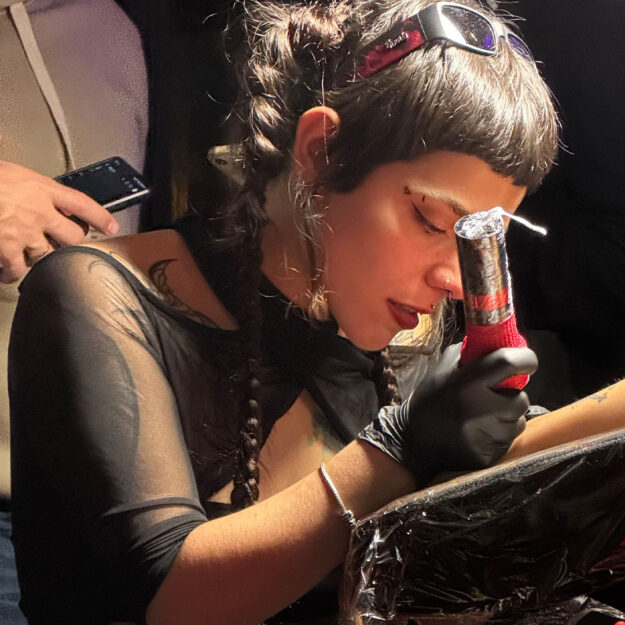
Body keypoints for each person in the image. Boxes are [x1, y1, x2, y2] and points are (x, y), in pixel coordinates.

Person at [8, 1, 562, 623]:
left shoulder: (410, 331)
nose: (454, 280)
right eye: (431, 221)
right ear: (321, 151)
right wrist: (398, 449)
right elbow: (171, 598)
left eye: (477, 240)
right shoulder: (100, 296)